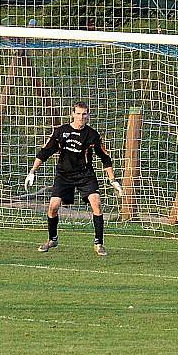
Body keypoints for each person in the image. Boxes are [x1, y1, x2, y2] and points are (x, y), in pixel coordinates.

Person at [24, 102, 124, 256]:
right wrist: (32, 171)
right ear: (72, 114)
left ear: (88, 116)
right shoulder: (61, 132)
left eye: (84, 114)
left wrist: (113, 180)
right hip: (64, 175)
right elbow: (45, 152)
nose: (81, 117)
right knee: (53, 207)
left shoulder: (92, 135)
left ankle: (99, 243)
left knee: (96, 204)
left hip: (85, 175)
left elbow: (105, 158)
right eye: (78, 114)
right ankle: (52, 239)